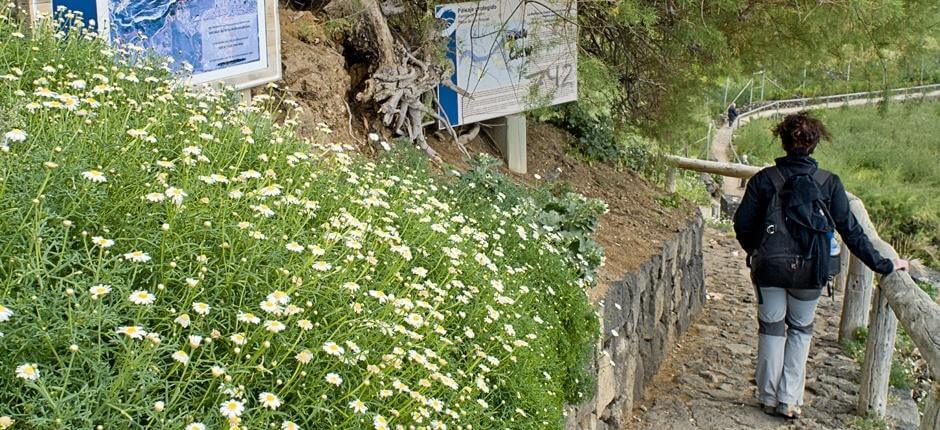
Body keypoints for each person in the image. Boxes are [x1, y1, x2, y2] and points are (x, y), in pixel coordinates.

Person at [732, 111, 908, 420]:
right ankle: (788, 400)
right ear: (815, 143)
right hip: (812, 271)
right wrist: (885, 265)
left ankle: (767, 396)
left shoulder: (764, 180)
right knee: (800, 330)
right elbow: (852, 232)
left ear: (783, 141)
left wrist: (758, 251)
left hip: (770, 269)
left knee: (771, 328)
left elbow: (742, 224)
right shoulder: (829, 183)